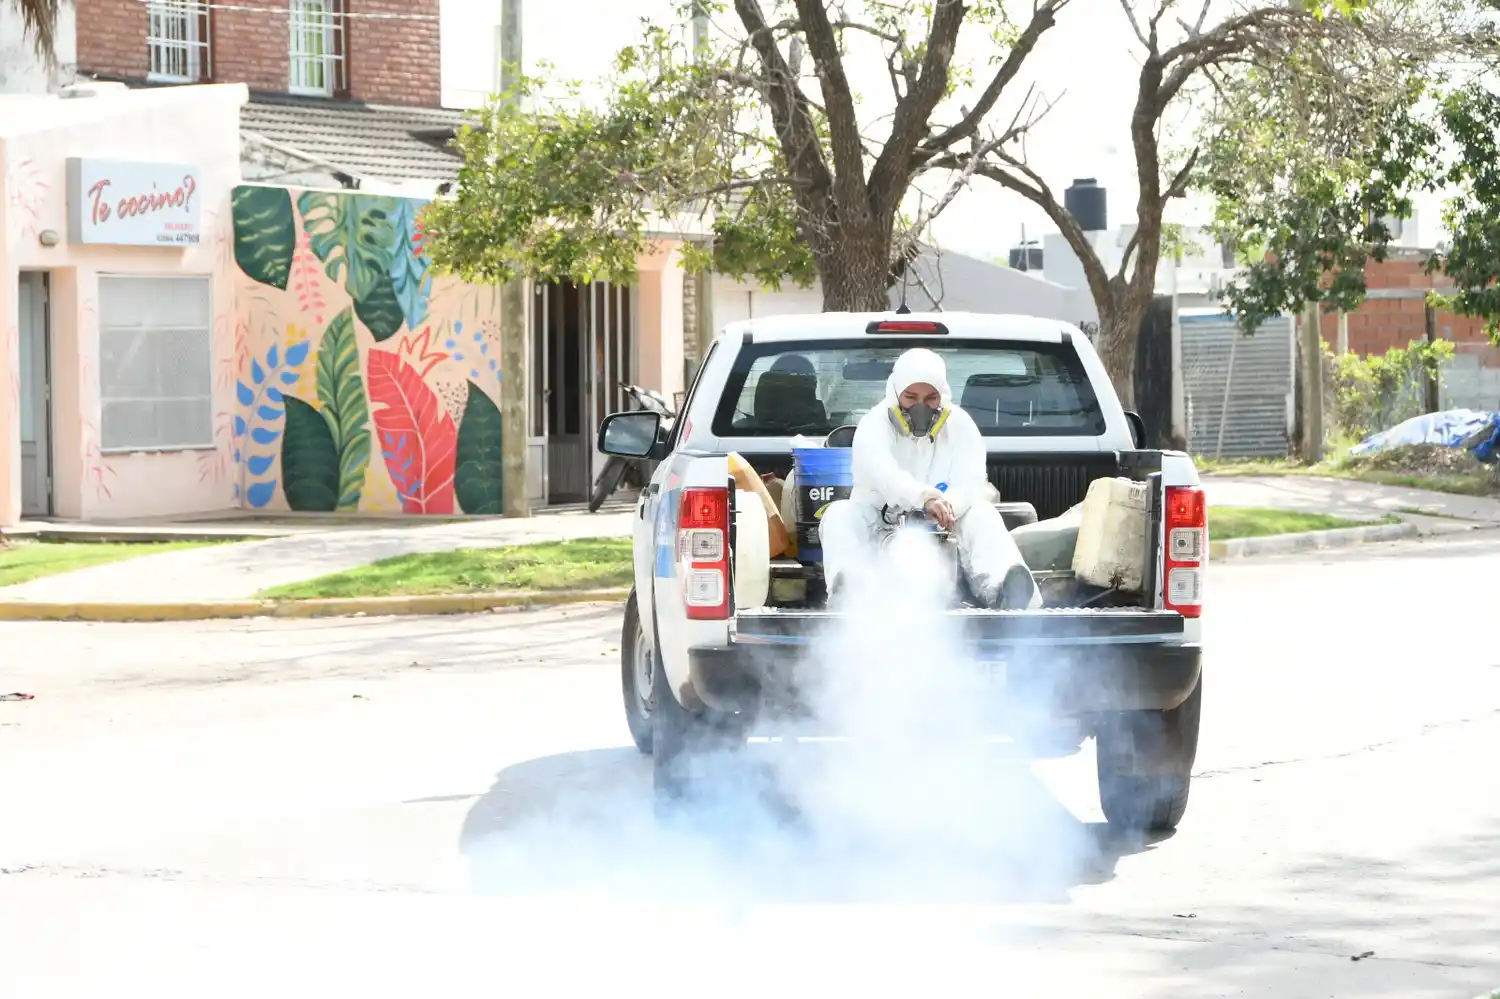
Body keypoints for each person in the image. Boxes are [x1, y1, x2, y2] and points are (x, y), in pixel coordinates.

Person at [818, 347, 1040, 609]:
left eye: (931, 398)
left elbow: (970, 480)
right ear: (896, 392)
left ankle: (1005, 590)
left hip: (946, 528)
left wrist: (947, 507)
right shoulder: (873, 424)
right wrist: (923, 498)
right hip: (882, 524)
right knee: (839, 515)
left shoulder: (961, 425)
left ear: (942, 395)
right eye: (910, 397)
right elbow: (883, 473)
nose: (920, 407)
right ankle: (849, 594)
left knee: (983, 514)